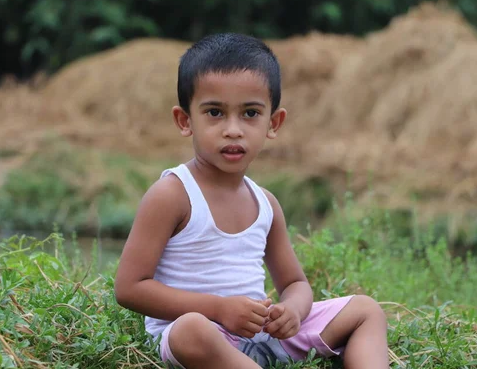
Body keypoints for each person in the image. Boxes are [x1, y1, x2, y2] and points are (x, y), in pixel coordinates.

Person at [114, 33, 389, 369]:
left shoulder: (265, 203)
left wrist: (292, 311)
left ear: (273, 123)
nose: (233, 129)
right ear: (185, 121)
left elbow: (294, 283)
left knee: (365, 310)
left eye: (250, 114)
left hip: (264, 336)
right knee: (191, 330)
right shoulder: (173, 194)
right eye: (215, 112)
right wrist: (219, 309)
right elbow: (129, 288)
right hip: (203, 338)